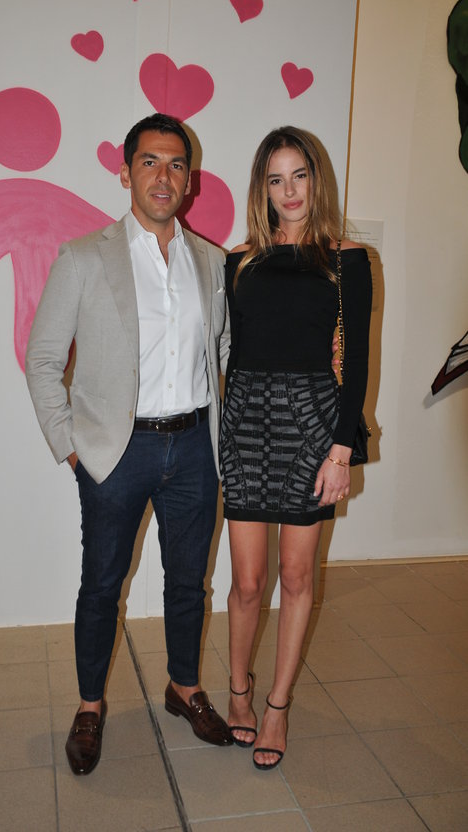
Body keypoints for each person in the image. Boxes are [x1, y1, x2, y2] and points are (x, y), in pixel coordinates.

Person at [25, 113, 232, 777]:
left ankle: (184, 687)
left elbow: (224, 351)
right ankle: (90, 706)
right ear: (125, 173)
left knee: (189, 582)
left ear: (190, 180)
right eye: (149, 162)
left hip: (194, 448)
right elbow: (43, 358)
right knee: (102, 585)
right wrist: (71, 447)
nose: (163, 176)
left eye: (176, 164)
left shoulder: (212, 262)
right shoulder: (84, 258)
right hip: (117, 453)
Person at [219, 126, 372, 771]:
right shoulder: (240, 260)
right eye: (276, 179)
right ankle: (238, 691)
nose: (289, 191)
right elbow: (233, 351)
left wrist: (341, 452)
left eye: (299, 176)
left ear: (316, 180)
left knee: (297, 575)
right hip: (246, 421)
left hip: (312, 424)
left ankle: (277, 705)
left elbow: (356, 363)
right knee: (247, 581)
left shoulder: (347, 259)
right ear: (263, 187)